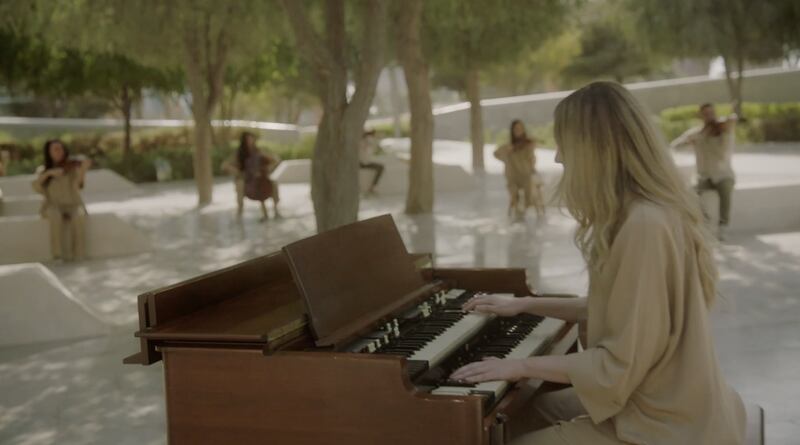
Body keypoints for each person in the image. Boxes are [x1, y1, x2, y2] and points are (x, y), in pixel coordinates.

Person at [452, 82, 745, 445]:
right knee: (523, 413)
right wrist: (525, 304)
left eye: (565, 144)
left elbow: (615, 367)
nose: (558, 158)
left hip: (669, 424)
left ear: (596, 149)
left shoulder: (643, 226)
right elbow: (622, 312)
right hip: (664, 397)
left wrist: (519, 365)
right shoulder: (647, 211)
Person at [670, 103, 737, 240]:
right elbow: (674, 145)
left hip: (723, 175)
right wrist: (689, 141)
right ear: (701, 116)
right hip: (703, 177)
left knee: (726, 190)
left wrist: (725, 132)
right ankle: (705, 222)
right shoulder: (696, 133)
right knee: (690, 193)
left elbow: (723, 153)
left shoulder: (724, 133)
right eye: (706, 114)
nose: (710, 116)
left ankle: (723, 226)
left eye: (712, 113)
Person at [32, 139, 91, 261]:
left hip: (73, 203)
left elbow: (78, 186)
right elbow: (37, 188)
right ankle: (57, 255)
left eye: (61, 148)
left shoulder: (72, 168)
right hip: (53, 205)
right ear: (49, 152)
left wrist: (83, 171)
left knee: (79, 215)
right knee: (54, 215)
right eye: (55, 149)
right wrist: (48, 174)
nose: (59, 152)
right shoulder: (43, 170)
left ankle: (79, 254)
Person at [494, 120, 546, 220]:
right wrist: (507, 155)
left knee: (530, 188)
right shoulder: (508, 145)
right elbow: (496, 153)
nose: (519, 130)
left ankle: (526, 208)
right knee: (514, 192)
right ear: (512, 130)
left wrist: (531, 148)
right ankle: (518, 210)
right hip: (512, 175)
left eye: (521, 128)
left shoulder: (527, 144)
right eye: (516, 129)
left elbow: (532, 159)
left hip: (526, 174)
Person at [222, 132, 280, 221]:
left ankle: (276, 211)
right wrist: (238, 172)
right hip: (245, 178)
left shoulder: (258, 151)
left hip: (259, 177)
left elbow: (275, 160)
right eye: (247, 139)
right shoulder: (239, 153)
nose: (250, 141)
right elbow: (225, 165)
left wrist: (267, 168)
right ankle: (239, 212)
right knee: (240, 185)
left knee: (273, 184)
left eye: (251, 139)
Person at [359, 129, 384, 196]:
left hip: (364, 162)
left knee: (380, 167)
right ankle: (372, 187)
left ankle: (373, 187)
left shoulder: (365, 141)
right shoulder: (364, 141)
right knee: (380, 167)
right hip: (362, 163)